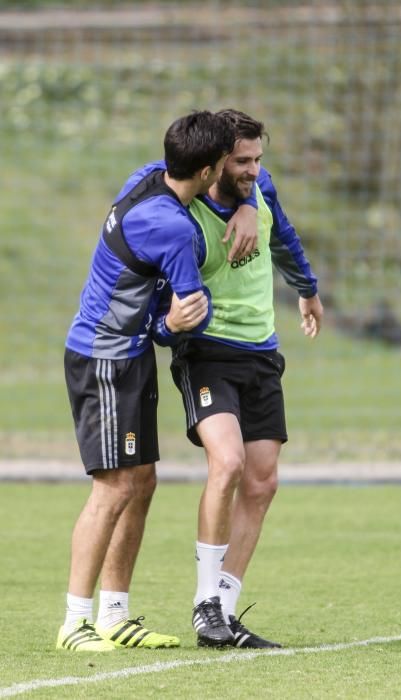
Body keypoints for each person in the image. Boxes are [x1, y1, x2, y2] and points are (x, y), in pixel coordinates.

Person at [57, 111, 244, 652]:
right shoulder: (173, 228)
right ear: (209, 171)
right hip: (105, 359)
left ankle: (116, 614)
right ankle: (75, 621)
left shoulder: (147, 175)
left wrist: (251, 202)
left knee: (141, 482)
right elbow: (189, 317)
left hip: (128, 357)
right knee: (113, 486)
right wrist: (168, 323)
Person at [154, 109, 323, 649]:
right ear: (212, 165)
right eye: (242, 162)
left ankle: (225, 610)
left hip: (262, 354)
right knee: (226, 461)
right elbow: (163, 293)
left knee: (263, 480)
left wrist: (307, 289)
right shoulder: (181, 212)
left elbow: (286, 237)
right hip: (207, 354)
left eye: (257, 160)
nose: (253, 169)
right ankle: (205, 602)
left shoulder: (261, 187)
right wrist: (166, 327)